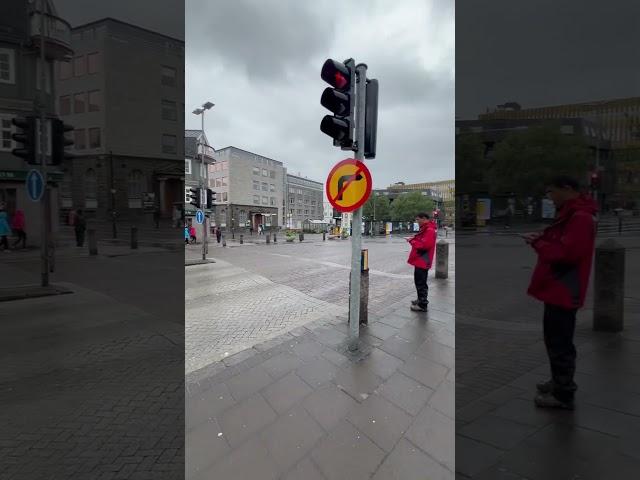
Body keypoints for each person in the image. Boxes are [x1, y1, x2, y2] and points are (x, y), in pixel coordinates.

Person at [523, 176, 597, 410]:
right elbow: (561, 243)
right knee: (555, 340)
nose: (549, 197)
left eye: (551, 191)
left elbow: (566, 254)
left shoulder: (580, 217)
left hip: (564, 288)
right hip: (558, 287)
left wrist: (538, 244)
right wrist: (542, 238)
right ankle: (558, 381)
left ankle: (564, 393)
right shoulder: (571, 213)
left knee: (560, 343)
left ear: (567, 189)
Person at [406, 213, 437, 312]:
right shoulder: (426, 229)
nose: (417, 221)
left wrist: (411, 241)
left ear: (424, 219)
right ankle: (420, 300)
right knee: (419, 281)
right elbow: (422, 241)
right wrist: (413, 238)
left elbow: (424, 246)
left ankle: (423, 305)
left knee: (421, 283)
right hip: (421, 260)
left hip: (423, 260)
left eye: (418, 219)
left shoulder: (429, 230)